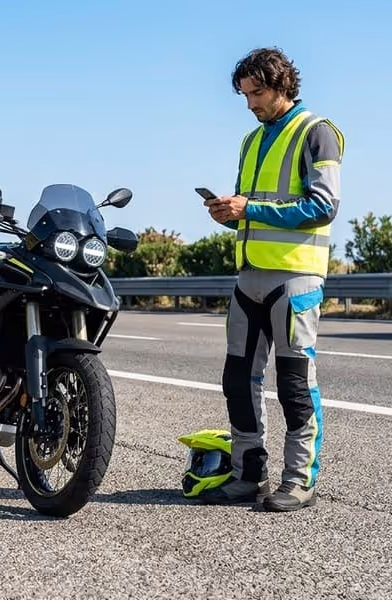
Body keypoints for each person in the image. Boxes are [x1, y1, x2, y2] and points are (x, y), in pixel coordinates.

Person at [200, 48, 344, 511]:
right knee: (237, 380)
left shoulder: (317, 132)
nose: (251, 104)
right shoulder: (251, 140)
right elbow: (254, 210)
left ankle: (299, 481)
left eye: (257, 93)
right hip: (249, 278)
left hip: (295, 278)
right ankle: (248, 475)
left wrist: (251, 208)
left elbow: (323, 206)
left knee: (294, 384)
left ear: (282, 84)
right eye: (245, 95)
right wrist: (230, 213)